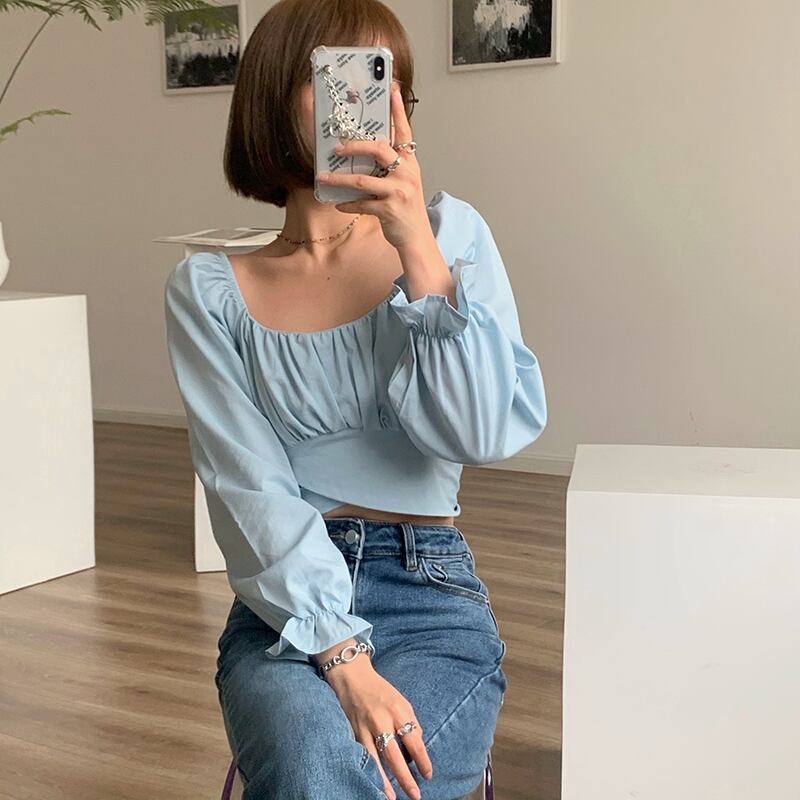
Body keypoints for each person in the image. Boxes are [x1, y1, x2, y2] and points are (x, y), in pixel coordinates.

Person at [163, 1, 547, 798]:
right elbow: (245, 486)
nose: (378, 101)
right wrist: (341, 654)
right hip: (283, 615)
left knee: (352, 777)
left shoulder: (451, 237)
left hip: (431, 593)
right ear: (276, 94)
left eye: (391, 81)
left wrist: (417, 252)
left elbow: (479, 432)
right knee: (318, 764)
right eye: (348, 77)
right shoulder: (209, 290)